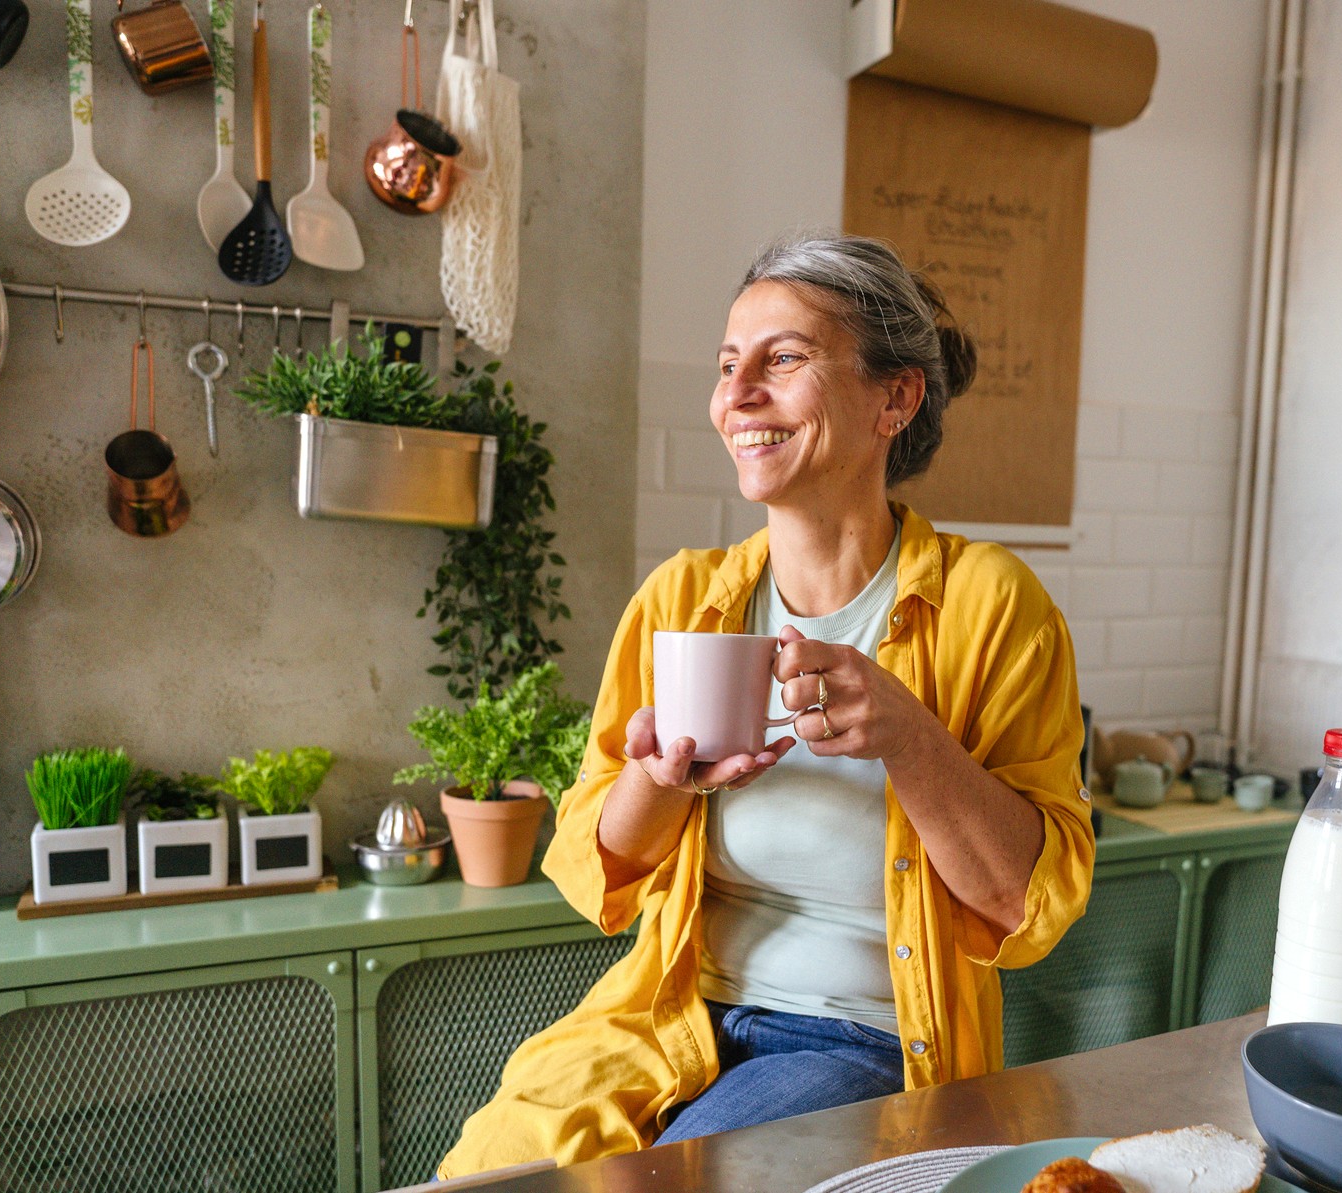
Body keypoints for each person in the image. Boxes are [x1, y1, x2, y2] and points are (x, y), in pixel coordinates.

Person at [439, 235, 1093, 1178]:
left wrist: (909, 736)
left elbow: (1025, 905)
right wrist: (660, 779)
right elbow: (597, 869)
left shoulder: (991, 603)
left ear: (893, 399)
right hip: (664, 1017)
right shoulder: (683, 599)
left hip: (861, 1041)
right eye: (724, 365)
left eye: (781, 359)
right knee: (480, 1173)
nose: (735, 393)